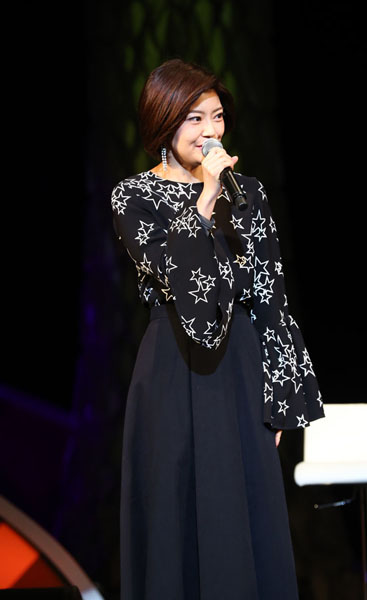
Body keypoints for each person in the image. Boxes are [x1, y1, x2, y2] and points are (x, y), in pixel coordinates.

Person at [111, 58, 325, 600]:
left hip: (241, 370)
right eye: (195, 118)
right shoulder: (133, 197)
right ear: (163, 122)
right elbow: (182, 285)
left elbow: (270, 295)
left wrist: (281, 394)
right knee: (177, 521)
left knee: (246, 521)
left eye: (217, 117)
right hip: (173, 368)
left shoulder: (248, 193)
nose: (211, 131)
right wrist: (205, 200)